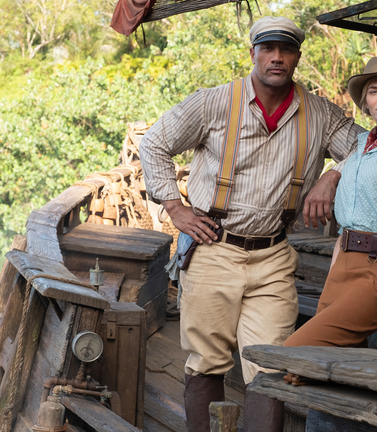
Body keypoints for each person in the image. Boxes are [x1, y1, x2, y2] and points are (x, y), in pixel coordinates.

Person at [139, 16, 364, 432]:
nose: (277, 58)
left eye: (287, 50)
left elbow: (370, 147)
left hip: (274, 256)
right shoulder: (213, 102)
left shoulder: (320, 113)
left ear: (297, 56)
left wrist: (332, 176)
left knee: (270, 365)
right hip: (212, 248)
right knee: (206, 363)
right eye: (268, 48)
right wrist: (175, 207)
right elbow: (154, 143)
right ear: (253, 53)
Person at [284, 56, 377, 349]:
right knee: (338, 363)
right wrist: (336, 268)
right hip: (342, 267)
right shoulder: (359, 149)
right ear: (365, 102)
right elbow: (347, 223)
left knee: (296, 351)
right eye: (374, 91)